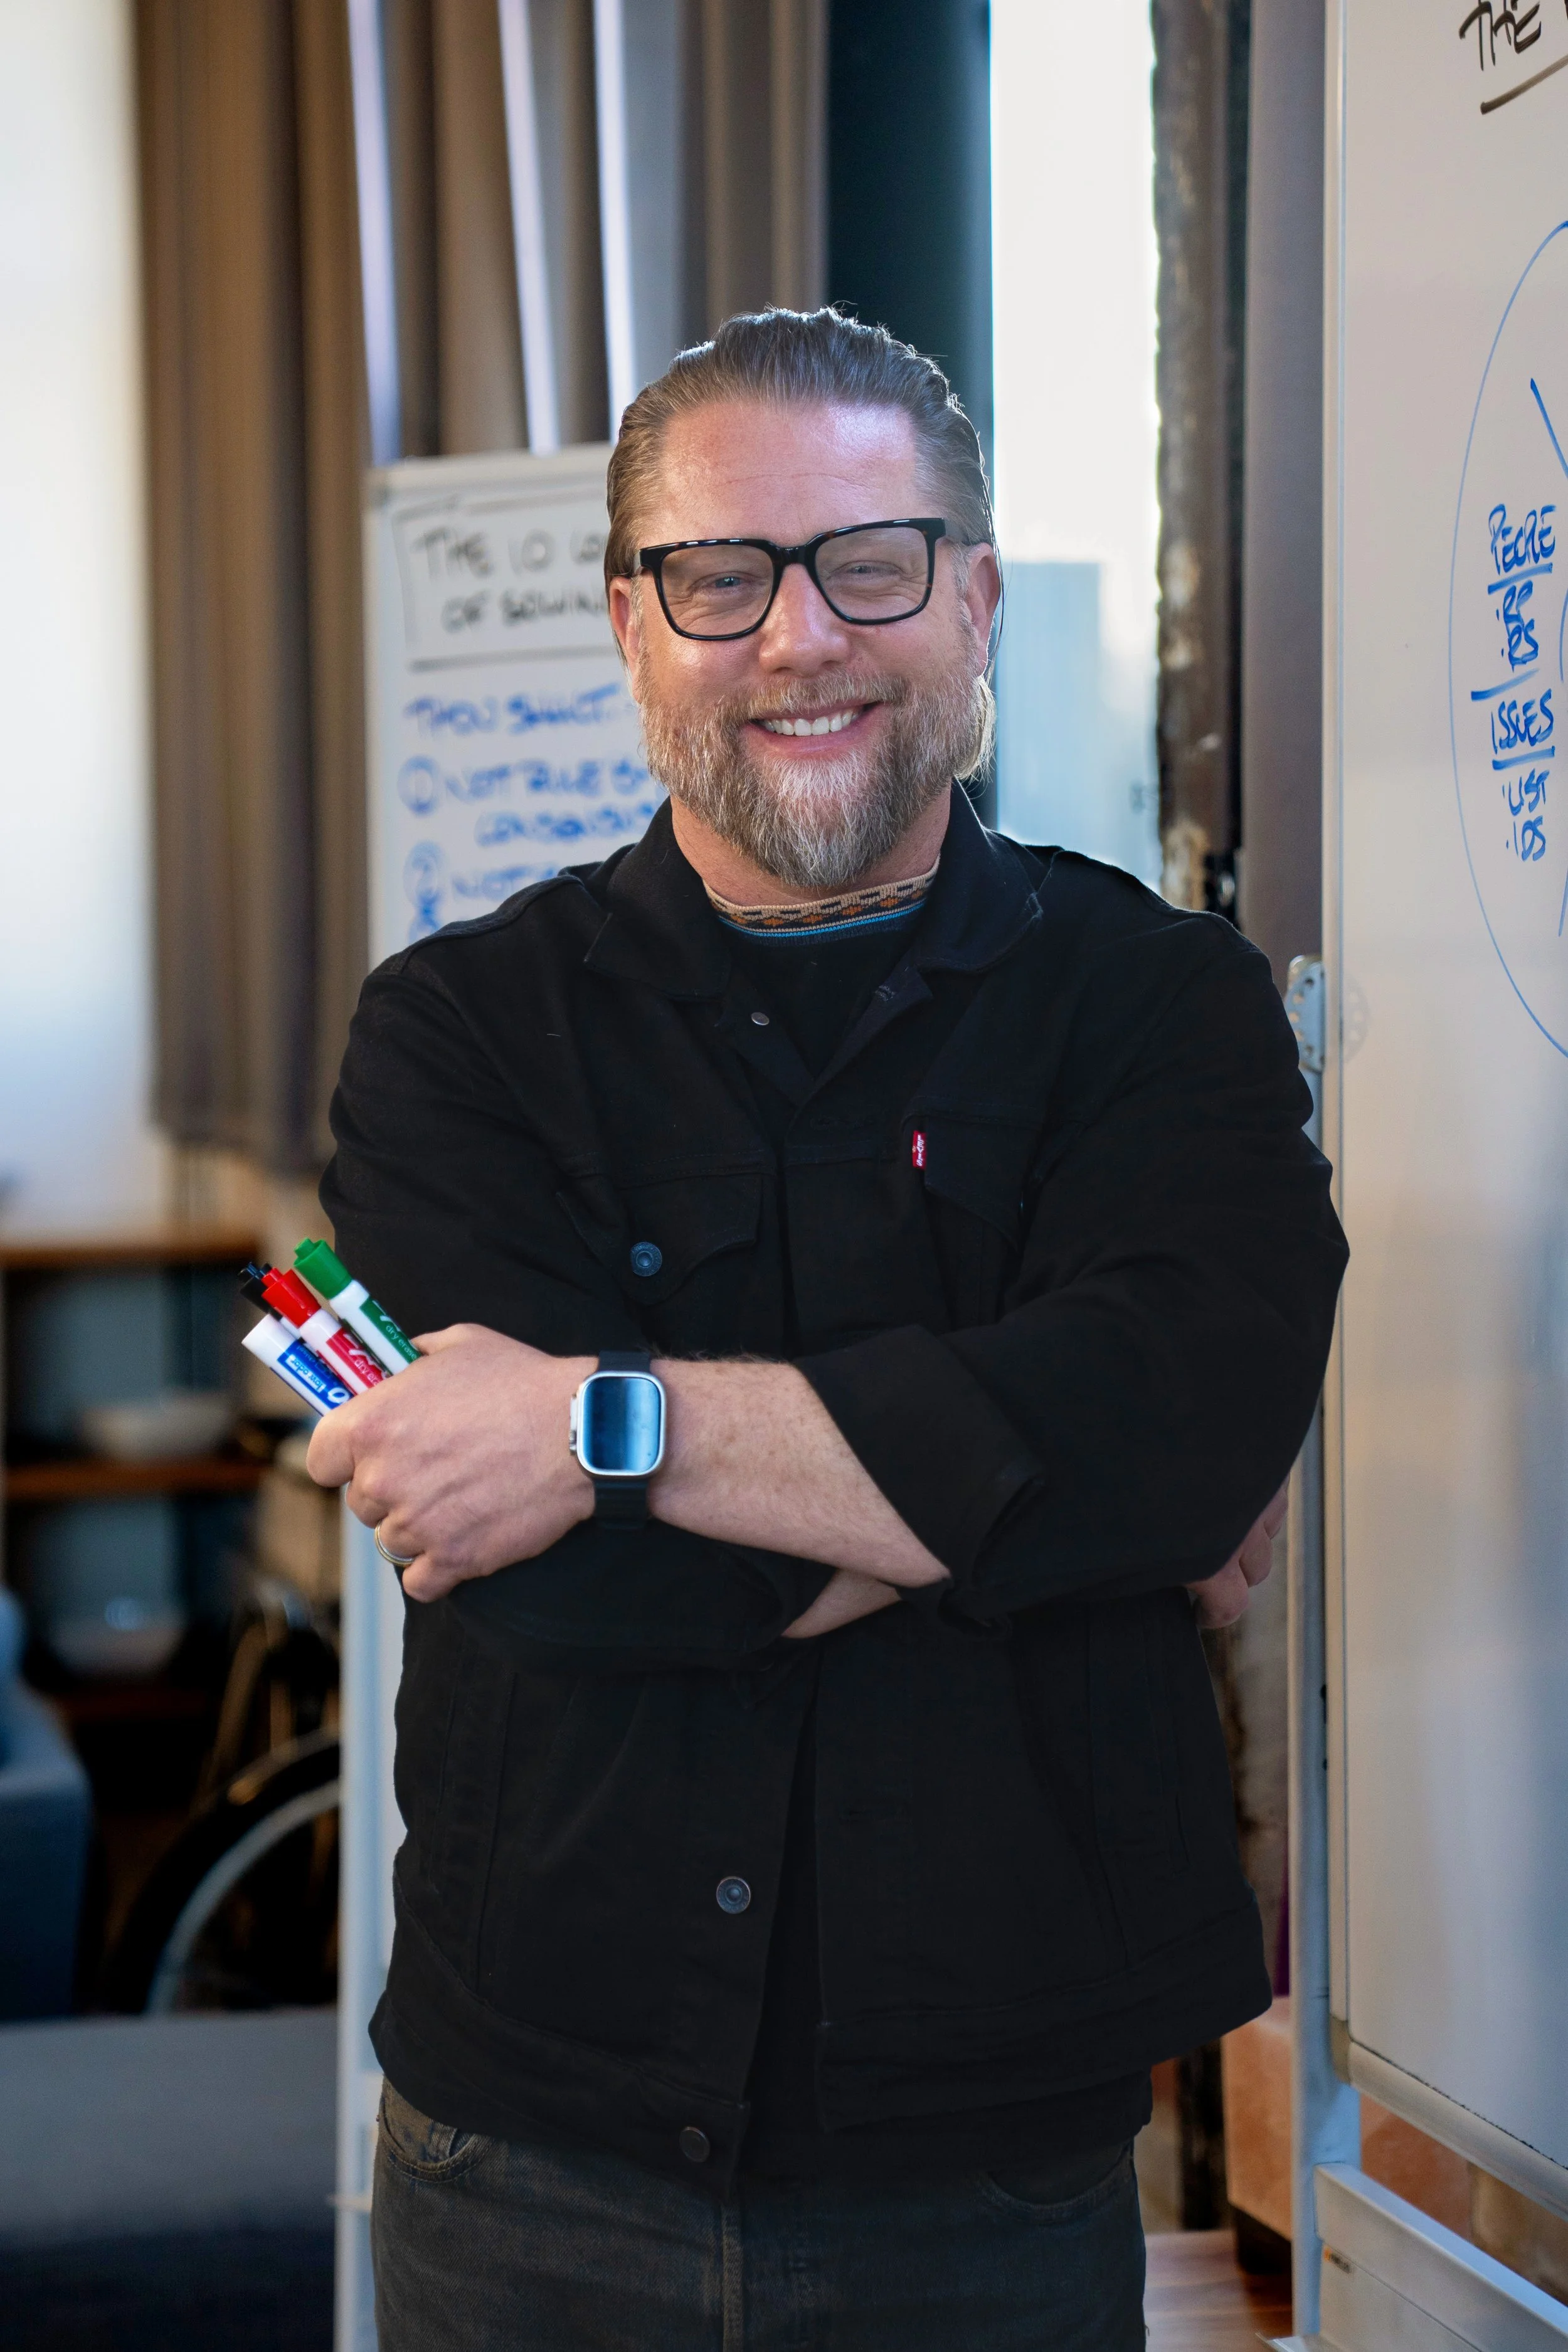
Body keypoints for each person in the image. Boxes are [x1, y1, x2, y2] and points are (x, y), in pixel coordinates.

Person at [310, 307, 1346, 2351]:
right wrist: (1031, 1489)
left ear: (967, 595)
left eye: (867, 561)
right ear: (629, 619)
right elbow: (557, 1592)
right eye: (720, 575)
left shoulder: (1162, 1010)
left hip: (986, 2161)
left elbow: (1180, 1440)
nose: (798, 638)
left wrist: (599, 1431)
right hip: (524, 2159)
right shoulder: (452, 1038)